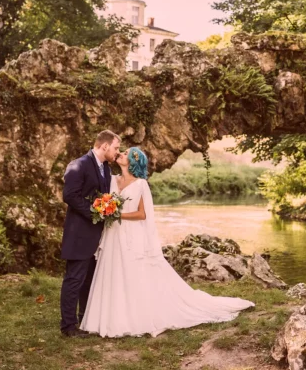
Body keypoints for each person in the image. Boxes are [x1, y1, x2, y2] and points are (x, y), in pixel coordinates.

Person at [80, 147, 254, 337]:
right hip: (113, 234)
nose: (120, 154)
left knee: (132, 273)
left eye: (125, 154)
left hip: (131, 234)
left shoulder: (140, 184)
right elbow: (103, 200)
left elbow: (142, 214)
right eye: (121, 152)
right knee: (112, 272)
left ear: (131, 162)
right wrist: (104, 209)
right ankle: (107, 319)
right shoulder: (112, 180)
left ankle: (133, 318)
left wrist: (117, 213)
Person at [59, 130, 121, 338]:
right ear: (104, 146)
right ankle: (68, 326)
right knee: (74, 279)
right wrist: (95, 212)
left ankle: (84, 318)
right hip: (79, 233)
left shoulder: (104, 167)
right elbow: (69, 195)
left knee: (89, 280)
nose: (117, 152)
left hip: (97, 235)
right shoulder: (78, 165)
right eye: (116, 148)